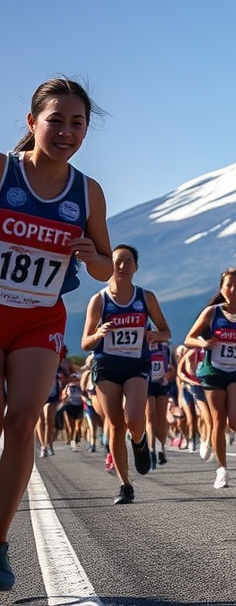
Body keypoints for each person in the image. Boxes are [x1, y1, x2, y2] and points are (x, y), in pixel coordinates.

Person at [0, 79, 113, 591]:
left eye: (77, 123)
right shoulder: (3, 171)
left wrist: (95, 258)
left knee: (23, 421)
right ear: (32, 123)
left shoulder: (87, 192)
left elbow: (106, 268)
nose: (66, 132)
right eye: (56, 120)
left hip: (40, 318)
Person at [82, 243, 172, 502]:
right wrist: (98, 334)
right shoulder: (99, 300)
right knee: (114, 426)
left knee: (133, 419)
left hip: (135, 364)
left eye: (127, 261)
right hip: (107, 364)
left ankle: (141, 439)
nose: (121, 266)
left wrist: (156, 335)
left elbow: (166, 331)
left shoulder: (146, 298)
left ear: (136, 267)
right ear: (110, 265)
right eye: (117, 261)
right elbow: (85, 342)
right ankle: (125, 484)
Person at [183, 268, 236, 489]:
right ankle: (222, 469)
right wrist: (203, 343)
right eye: (228, 285)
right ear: (222, 288)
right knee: (218, 420)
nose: (233, 289)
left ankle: (221, 434)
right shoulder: (212, 313)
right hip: (214, 372)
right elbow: (190, 338)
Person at [146, 340, 174, 468]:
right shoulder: (142, 346)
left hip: (161, 384)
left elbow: (169, 367)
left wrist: (167, 376)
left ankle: (161, 449)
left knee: (161, 419)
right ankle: (151, 451)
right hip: (147, 384)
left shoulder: (163, 347)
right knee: (151, 417)